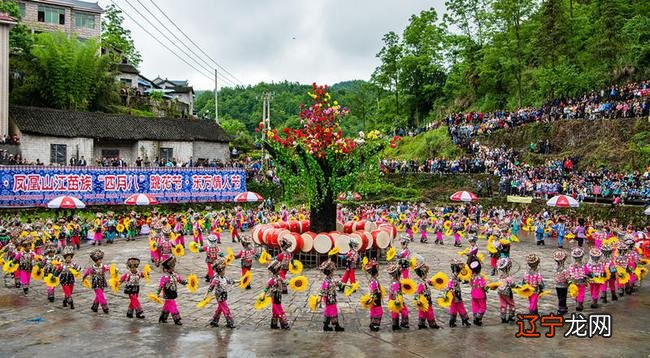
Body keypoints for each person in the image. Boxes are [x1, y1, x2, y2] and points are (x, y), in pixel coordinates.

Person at [157, 256, 187, 325]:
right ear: (167, 269)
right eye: (171, 268)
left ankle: (162, 318)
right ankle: (176, 319)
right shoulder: (164, 277)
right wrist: (157, 293)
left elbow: (180, 280)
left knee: (167, 306)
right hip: (167, 294)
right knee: (173, 305)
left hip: (173, 292)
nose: (173, 269)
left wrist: (186, 282)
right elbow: (160, 286)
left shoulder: (174, 275)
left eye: (173, 267)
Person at [206, 258, 235, 328]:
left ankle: (214, 320)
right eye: (223, 270)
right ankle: (230, 322)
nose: (224, 271)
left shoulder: (224, 278)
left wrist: (240, 281)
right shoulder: (216, 279)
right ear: (220, 271)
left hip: (224, 294)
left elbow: (230, 281)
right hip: (219, 296)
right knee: (225, 308)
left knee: (220, 308)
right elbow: (211, 287)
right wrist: (206, 295)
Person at [318, 259, 345, 332]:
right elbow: (322, 290)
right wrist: (319, 299)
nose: (333, 272)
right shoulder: (326, 281)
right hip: (328, 299)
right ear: (330, 272)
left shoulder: (330, 279)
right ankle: (336, 326)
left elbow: (336, 282)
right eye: (333, 271)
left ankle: (326, 325)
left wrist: (344, 284)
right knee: (333, 311)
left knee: (329, 311)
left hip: (332, 298)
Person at [413, 260, 440, 329]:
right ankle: (432, 323)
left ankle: (421, 323)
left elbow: (428, 281)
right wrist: (418, 300)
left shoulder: (423, 281)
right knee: (429, 311)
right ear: (423, 274)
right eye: (426, 273)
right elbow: (418, 293)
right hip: (425, 299)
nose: (427, 274)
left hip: (424, 299)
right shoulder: (421, 283)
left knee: (422, 311)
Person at [264, 260, 290, 330]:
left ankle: (274, 324)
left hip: (279, 296)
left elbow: (285, 283)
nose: (280, 270)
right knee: (279, 310)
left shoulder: (278, 277)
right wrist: (263, 295)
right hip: (274, 297)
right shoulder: (272, 279)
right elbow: (267, 287)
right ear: (276, 270)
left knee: (275, 310)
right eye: (279, 269)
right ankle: (284, 323)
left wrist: (289, 283)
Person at [446, 258, 471, 327]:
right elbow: (449, 285)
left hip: (457, 294)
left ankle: (456, 321)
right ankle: (461, 320)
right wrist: (451, 291)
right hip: (454, 294)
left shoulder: (456, 276)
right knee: (458, 307)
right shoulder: (453, 277)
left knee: (457, 307)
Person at [83, 249, 110, 314]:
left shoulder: (103, 267)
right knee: (100, 294)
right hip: (95, 283)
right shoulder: (92, 268)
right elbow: (86, 273)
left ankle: (94, 306)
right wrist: (84, 278)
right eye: (99, 260)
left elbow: (109, 269)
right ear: (95, 260)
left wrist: (114, 270)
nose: (100, 261)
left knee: (99, 294)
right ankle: (104, 306)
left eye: (101, 259)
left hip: (102, 281)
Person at [387, 263, 409, 330]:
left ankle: (395, 324)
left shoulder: (393, 281)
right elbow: (395, 292)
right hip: (397, 298)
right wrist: (397, 300)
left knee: (395, 311)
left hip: (392, 298)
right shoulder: (396, 282)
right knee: (404, 310)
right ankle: (404, 323)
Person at [364, 259, 383, 332]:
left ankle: (372, 324)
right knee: (378, 311)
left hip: (373, 298)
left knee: (373, 310)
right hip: (375, 298)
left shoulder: (372, 279)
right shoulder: (374, 281)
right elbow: (374, 291)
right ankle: (375, 325)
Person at [496, 258, 516, 323]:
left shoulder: (500, 276)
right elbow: (512, 284)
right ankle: (511, 316)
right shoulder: (508, 277)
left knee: (503, 304)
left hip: (500, 292)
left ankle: (503, 317)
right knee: (511, 303)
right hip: (507, 293)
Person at [469, 259, 487, 326]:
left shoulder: (471, 277)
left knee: (475, 306)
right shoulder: (480, 278)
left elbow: (470, 284)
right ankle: (478, 318)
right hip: (480, 295)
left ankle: (475, 318)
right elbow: (483, 286)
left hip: (473, 294)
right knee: (483, 307)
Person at [552, 249, 569, 315]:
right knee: (563, 296)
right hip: (564, 285)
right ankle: (562, 308)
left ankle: (562, 307)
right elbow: (567, 277)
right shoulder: (565, 270)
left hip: (557, 285)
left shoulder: (555, 268)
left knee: (559, 296)